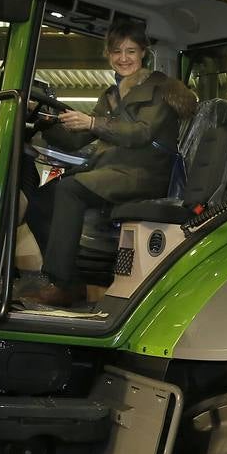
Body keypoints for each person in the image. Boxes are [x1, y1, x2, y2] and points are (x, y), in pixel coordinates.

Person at [22, 21, 196, 306]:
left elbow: (140, 133)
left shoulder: (161, 89)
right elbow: (75, 141)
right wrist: (43, 118)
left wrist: (92, 122)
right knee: (41, 197)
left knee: (69, 190)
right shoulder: (111, 95)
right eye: (117, 52)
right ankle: (70, 277)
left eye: (131, 51)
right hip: (112, 171)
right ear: (108, 54)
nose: (123, 58)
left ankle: (64, 283)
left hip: (143, 173)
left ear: (143, 53)